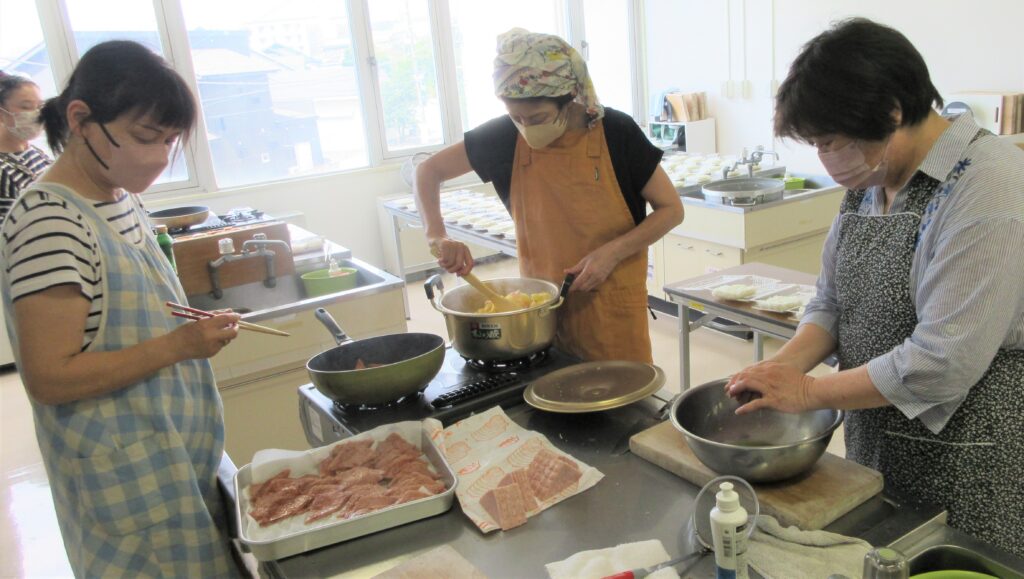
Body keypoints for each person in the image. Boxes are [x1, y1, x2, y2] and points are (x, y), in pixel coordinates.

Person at [725, 18, 1024, 556]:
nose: (824, 159)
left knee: (951, 562)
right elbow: (831, 303)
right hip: (877, 434)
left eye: (828, 142)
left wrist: (810, 392)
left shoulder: (990, 184)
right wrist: (784, 368)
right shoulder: (871, 177)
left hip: (965, 451)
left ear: (890, 111)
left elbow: (944, 362)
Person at [0, 41, 243, 576]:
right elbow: (49, 376)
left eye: (170, 141)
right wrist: (179, 346)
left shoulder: (115, 195)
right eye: (143, 137)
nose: (158, 156)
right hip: (125, 477)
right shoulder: (50, 221)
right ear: (81, 119)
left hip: (168, 456)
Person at [414, 29, 683, 363]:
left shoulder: (615, 131)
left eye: (537, 118)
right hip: (537, 316)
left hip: (611, 312)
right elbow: (428, 171)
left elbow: (671, 210)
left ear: (569, 97)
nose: (526, 127)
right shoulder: (504, 137)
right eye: (517, 118)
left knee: (621, 405)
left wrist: (612, 253)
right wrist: (437, 235)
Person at [0, 72, 52, 221]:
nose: (36, 114)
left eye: (40, 106)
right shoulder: (3, 172)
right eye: (26, 107)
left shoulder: (36, 152)